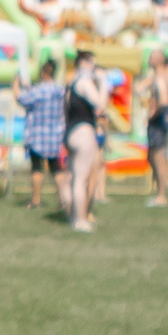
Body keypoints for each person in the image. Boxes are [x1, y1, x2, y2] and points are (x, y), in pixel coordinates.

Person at [64, 50, 106, 232]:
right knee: (81, 179)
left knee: (73, 178)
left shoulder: (71, 82)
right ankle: (80, 219)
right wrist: (104, 83)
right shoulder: (84, 82)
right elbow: (101, 105)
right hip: (84, 133)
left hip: (71, 132)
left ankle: (72, 215)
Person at [16, 58, 66, 209]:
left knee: (37, 168)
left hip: (37, 135)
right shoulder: (60, 90)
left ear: (43, 72)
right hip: (55, 135)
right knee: (56, 169)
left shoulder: (38, 90)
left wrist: (15, 85)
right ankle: (63, 200)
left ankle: (36, 201)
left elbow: (21, 99)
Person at [142, 45, 168, 206]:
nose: (148, 59)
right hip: (164, 118)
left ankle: (161, 193)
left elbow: (163, 101)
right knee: (154, 155)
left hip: (159, 120)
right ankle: (160, 190)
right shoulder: (162, 77)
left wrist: (151, 115)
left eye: (151, 56)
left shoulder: (160, 78)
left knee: (159, 157)